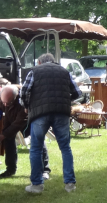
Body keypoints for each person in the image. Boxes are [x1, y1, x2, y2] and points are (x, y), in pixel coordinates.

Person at [20, 53, 81, 194]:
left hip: (40, 113)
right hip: (61, 112)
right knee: (65, 148)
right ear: (54, 62)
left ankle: (36, 185)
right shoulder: (65, 72)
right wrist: (64, 100)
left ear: (39, 62)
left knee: (36, 148)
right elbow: (77, 93)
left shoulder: (34, 71)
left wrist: (26, 105)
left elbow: (24, 92)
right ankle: (70, 184)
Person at [0, 84, 27, 179]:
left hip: (27, 120)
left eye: (9, 103)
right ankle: (10, 169)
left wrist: (3, 135)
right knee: (8, 140)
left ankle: (44, 170)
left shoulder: (24, 98)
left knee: (37, 139)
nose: (5, 105)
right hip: (9, 118)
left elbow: (19, 122)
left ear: (16, 97)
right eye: (4, 103)